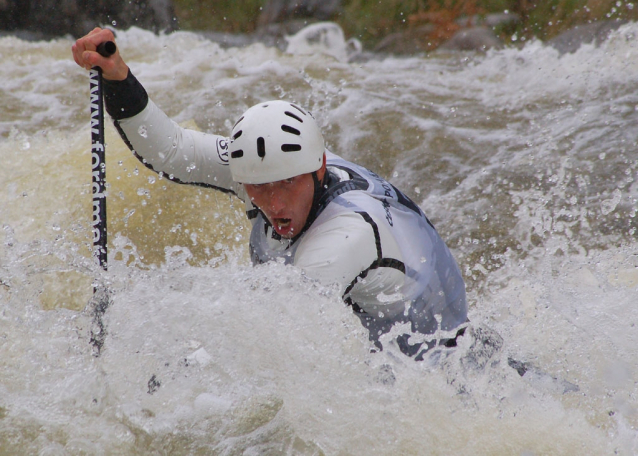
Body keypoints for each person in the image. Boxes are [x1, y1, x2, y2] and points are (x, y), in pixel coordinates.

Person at [72, 28, 468, 360]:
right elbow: (174, 150)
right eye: (259, 189)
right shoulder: (264, 167)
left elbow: (268, 337)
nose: (274, 204)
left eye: (287, 186)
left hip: (443, 368)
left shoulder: (347, 235)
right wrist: (118, 78)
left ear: (319, 170)